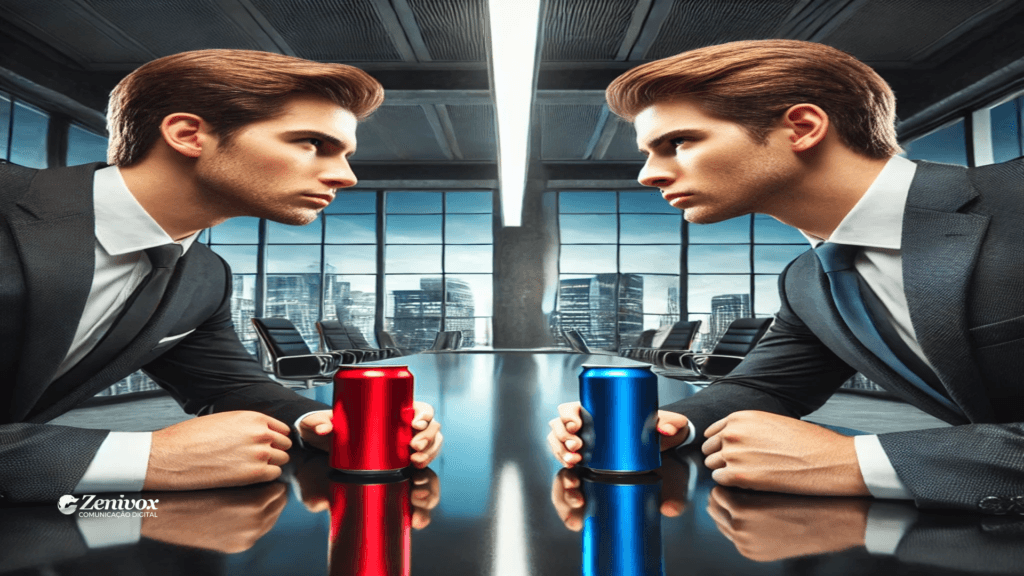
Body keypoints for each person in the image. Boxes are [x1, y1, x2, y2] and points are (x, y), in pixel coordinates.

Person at [548, 39, 1024, 513]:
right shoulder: (809, 281)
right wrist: (664, 425)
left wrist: (853, 461)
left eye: (678, 143)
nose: (648, 175)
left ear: (802, 128)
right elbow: (767, 387)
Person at [0, 49, 442, 504]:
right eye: (313, 143)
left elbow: (228, 385)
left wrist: (318, 424)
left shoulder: (204, 276)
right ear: (188, 135)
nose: (346, 177)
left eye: (346, 154)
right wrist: (144, 457)